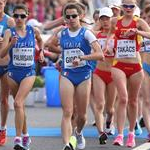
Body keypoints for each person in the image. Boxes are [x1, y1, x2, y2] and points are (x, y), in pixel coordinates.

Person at [48, 3, 104, 150]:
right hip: (67, 74)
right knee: (67, 112)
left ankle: (78, 133)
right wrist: (63, 52)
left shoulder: (86, 33)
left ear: (80, 16)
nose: (71, 18)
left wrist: (83, 57)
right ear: (65, 18)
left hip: (84, 75)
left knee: (82, 115)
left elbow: (100, 55)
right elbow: (50, 45)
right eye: (68, 16)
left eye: (74, 16)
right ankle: (66, 144)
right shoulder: (62, 33)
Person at [105, 0, 150, 148]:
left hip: (135, 66)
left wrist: (137, 32)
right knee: (123, 98)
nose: (129, 8)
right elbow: (110, 34)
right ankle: (119, 135)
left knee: (133, 100)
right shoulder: (114, 21)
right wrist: (108, 45)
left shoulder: (139, 22)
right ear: (121, 7)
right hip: (118, 64)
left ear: (135, 7)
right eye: (126, 6)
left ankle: (131, 133)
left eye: (131, 6)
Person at [0, 4, 44, 150]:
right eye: (16, 16)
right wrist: (10, 44)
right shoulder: (8, 32)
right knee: (20, 106)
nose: (19, 19)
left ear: (27, 16)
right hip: (13, 72)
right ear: (13, 17)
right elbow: (1, 54)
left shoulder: (33, 30)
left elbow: (40, 40)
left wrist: (42, 52)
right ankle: (26, 135)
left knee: (17, 103)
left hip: (28, 72)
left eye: (22, 16)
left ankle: (18, 139)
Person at [92, 7, 117, 145]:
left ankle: (109, 121)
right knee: (99, 104)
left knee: (110, 108)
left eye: (108, 18)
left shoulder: (117, 35)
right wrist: (98, 24)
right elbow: (87, 32)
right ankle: (101, 133)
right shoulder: (95, 34)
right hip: (99, 73)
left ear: (112, 19)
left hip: (113, 74)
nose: (105, 21)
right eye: (103, 19)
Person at [0, 0, 15, 146]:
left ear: (4, 3)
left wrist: (6, 41)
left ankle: (2, 129)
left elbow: (19, 38)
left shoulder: (9, 21)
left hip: (5, 64)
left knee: (4, 99)